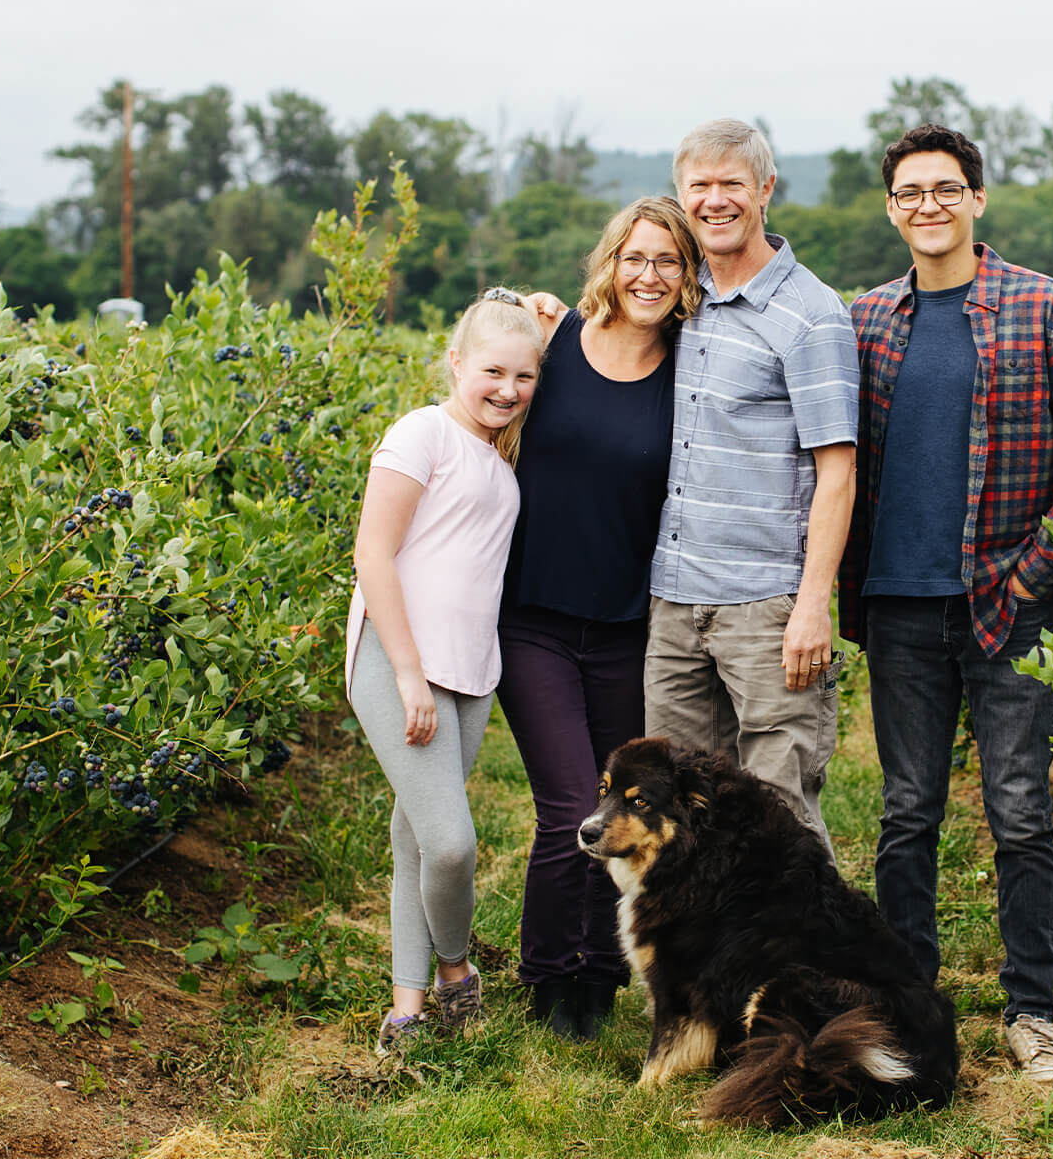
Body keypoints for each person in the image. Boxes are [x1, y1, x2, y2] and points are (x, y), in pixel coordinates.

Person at [839, 124, 1053, 1086]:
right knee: (906, 814)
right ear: (891, 209)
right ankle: (909, 1005)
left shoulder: (1046, 307)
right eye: (910, 193)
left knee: (1018, 814)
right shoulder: (865, 320)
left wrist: (1033, 572)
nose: (928, 205)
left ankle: (1032, 1011)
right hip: (897, 607)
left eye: (946, 188)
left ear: (977, 199)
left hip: (1012, 609)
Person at [497, 198, 703, 1040]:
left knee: (615, 803)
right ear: (610, 262)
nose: (649, 276)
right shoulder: (552, 345)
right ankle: (551, 980)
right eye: (636, 258)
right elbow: (478, 374)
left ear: (688, 278)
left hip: (627, 624)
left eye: (669, 262)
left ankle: (599, 974)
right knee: (562, 810)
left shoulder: (690, 366)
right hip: (532, 615)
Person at [645, 118, 858, 845]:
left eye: (731, 184)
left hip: (765, 609)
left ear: (765, 190)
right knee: (673, 814)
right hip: (674, 602)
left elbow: (838, 470)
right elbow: (600, 327)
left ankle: (807, 962)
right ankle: (704, 963)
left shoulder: (811, 316)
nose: (714, 200)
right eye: (698, 186)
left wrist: (812, 607)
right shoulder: (677, 295)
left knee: (777, 819)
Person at [346, 288, 545, 1056]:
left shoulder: (499, 458)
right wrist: (406, 674)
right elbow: (373, 553)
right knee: (453, 843)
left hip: (469, 670)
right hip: (401, 662)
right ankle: (458, 973)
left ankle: (407, 1005)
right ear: (455, 361)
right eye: (492, 371)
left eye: (524, 378)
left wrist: (544, 320)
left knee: (416, 839)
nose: (507, 390)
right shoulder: (420, 432)